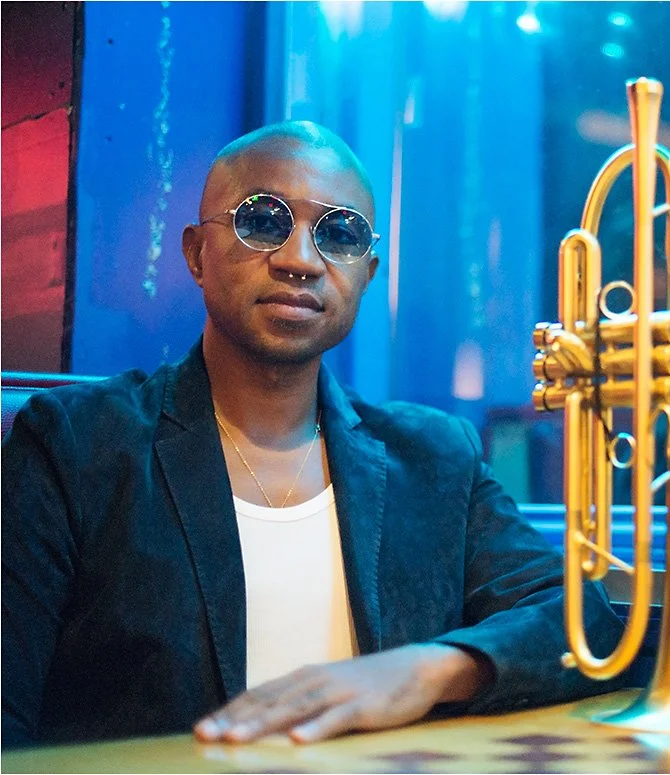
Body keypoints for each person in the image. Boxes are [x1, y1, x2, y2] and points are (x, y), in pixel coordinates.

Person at [1, 121, 622, 749]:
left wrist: (426, 671)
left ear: (367, 273)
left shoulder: (435, 458)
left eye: (339, 234)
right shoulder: (75, 446)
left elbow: (581, 620)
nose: (299, 260)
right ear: (196, 253)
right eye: (262, 221)